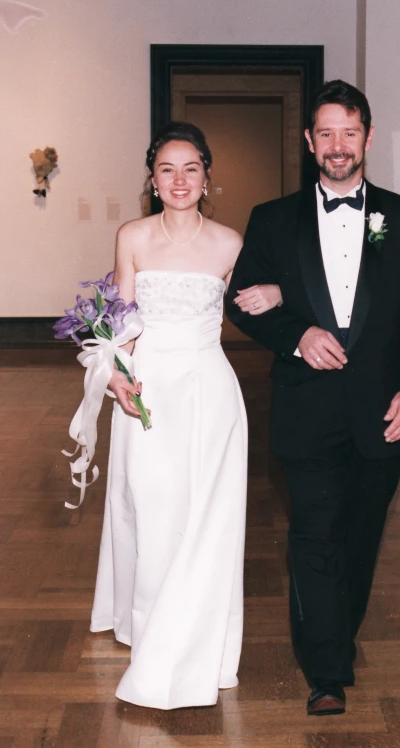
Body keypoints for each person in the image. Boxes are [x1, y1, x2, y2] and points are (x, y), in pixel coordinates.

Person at [226, 80, 400, 716]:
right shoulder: (271, 219)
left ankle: (334, 637)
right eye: (325, 133)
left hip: (383, 412)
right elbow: (242, 300)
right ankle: (325, 671)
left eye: (349, 132)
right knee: (315, 535)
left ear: (368, 138)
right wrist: (297, 332)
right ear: (308, 141)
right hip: (306, 411)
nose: (338, 145)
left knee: (360, 538)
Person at [90, 121, 282, 710]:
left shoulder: (231, 243)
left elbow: (259, 304)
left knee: (204, 513)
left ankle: (202, 635)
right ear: (152, 177)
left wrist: (277, 294)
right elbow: (117, 319)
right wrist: (115, 375)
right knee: (148, 507)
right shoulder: (133, 236)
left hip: (207, 391)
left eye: (190, 168)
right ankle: (148, 625)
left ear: (207, 177)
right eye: (167, 169)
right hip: (146, 391)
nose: (179, 180)